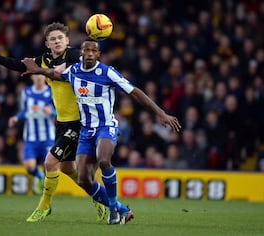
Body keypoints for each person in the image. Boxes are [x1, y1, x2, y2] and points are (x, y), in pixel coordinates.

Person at [22, 39, 181, 224]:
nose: (89, 53)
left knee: (104, 160)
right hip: (85, 132)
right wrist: (38, 70)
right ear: (81, 53)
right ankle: (122, 210)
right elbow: (55, 74)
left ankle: (113, 209)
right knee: (84, 180)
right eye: (86, 50)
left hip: (106, 127)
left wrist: (160, 113)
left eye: (93, 51)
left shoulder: (107, 72)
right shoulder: (74, 71)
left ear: (99, 55)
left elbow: (135, 92)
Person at [0, 22, 106, 223]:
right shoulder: (43, 60)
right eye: (53, 39)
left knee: (50, 162)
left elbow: (88, 60)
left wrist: (93, 42)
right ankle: (99, 198)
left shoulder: (73, 55)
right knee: (68, 169)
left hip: (79, 122)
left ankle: (43, 207)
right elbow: (18, 64)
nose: (57, 41)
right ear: (47, 43)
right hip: (62, 123)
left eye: (60, 38)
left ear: (67, 41)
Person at [8, 74, 56, 195]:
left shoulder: (51, 92)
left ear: (45, 77)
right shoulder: (26, 92)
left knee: (49, 166)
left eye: (41, 74)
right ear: (32, 77)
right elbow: (25, 110)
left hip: (47, 137)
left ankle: (47, 193)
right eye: (36, 75)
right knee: (29, 166)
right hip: (30, 137)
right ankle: (39, 177)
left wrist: (52, 112)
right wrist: (16, 118)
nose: (39, 77)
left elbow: (60, 112)